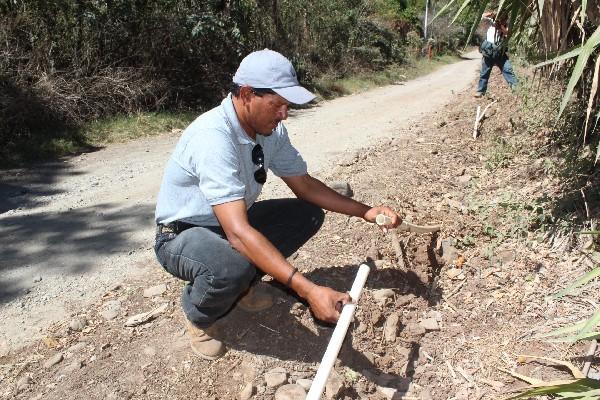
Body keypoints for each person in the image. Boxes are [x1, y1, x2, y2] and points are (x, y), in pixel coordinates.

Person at [154, 49, 401, 360]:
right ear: (246, 94)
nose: (284, 114)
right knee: (231, 265)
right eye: (277, 105)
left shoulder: (269, 130)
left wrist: (365, 211)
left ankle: (244, 284)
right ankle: (200, 316)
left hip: (231, 221)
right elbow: (239, 234)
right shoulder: (213, 138)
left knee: (306, 215)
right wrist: (308, 290)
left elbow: (305, 186)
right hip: (183, 234)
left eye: (287, 106)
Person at [475, 11, 518, 97]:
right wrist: (493, 13)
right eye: (501, 18)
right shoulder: (491, 22)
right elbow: (482, 15)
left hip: (500, 53)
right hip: (489, 52)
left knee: (508, 69)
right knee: (485, 72)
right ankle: (480, 91)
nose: (502, 20)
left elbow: (507, 33)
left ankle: (516, 89)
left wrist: (501, 26)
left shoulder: (505, 26)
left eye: (504, 19)